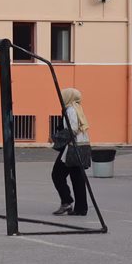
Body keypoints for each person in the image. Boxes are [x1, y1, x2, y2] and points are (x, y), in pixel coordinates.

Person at [52, 87, 91, 216]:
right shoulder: (77, 108)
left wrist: (54, 138)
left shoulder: (71, 110)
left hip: (73, 148)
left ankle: (66, 201)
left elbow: (72, 129)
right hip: (82, 146)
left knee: (57, 174)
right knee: (77, 177)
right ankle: (81, 208)